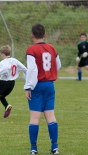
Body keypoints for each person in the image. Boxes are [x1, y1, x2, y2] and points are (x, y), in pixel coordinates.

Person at [24, 23, 61, 155]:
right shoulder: (51, 48)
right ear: (44, 34)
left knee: (35, 118)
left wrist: (28, 86)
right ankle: (55, 147)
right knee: (50, 116)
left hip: (37, 85)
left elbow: (32, 69)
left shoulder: (31, 50)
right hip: (50, 85)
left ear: (31, 35)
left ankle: (34, 148)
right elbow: (58, 65)